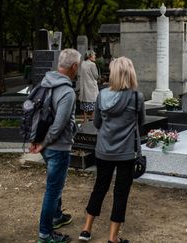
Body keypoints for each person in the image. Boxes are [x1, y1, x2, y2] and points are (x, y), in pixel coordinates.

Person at [78, 57, 145, 243]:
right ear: (130, 73)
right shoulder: (136, 97)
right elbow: (140, 124)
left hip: (103, 151)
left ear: (113, 74)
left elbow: (97, 123)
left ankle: (86, 229)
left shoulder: (101, 95)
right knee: (120, 193)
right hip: (125, 153)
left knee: (99, 188)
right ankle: (113, 238)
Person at [29, 48, 80, 243]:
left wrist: (38, 141)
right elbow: (59, 125)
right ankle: (45, 234)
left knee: (54, 183)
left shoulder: (44, 84)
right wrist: (43, 143)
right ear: (74, 66)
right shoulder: (67, 92)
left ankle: (57, 217)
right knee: (53, 189)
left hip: (44, 143)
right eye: (78, 66)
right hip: (57, 146)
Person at [79, 50, 100, 123]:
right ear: (90, 56)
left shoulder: (83, 63)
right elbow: (96, 76)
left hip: (84, 85)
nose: (95, 57)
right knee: (94, 102)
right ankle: (92, 117)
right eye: (94, 55)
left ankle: (85, 119)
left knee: (85, 102)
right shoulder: (92, 64)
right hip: (91, 86)